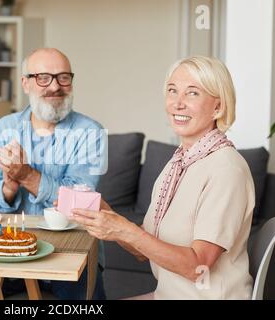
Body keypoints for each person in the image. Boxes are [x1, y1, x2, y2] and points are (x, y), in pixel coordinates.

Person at [71, 56, 255, 300]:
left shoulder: (226, 169)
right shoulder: (178, 163)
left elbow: (197, 267)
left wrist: (124, 230)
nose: (177, 103)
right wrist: (107, 216)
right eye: (172, 91)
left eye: (192, 93)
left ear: (218, 107)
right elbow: (144, 250)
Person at [0, 48, 108, 300]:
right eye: (43, 78)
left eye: (63, 77)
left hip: (70, 251)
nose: (55, 86)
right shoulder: (5, 127)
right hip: (9, 249)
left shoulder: (91, 132)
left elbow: (79, 203)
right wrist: (8, 189)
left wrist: (26, 176)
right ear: (25, 83)